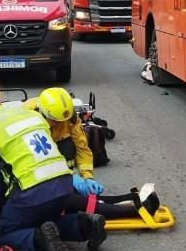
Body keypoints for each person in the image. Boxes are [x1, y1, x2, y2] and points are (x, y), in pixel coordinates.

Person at [0, 87, 107, 251]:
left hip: (33, 191)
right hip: (64, 183)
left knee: (5, 233)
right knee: (45, 219)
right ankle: (84, 225)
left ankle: (38, 240)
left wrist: (0, 202)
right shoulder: (31, 114)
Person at [28, 88, 161, 220]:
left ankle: (130, 200)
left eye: (64, 120)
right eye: (56, 121)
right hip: (33, 177)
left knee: (72, 194)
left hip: (53, 178)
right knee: (67, 201)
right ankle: (131, 210)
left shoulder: (70, 118)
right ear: (44, 113)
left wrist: (87, 177)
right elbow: (39, 159)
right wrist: (69, 178)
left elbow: (82, 148)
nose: (61, 124)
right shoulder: (30, 122)